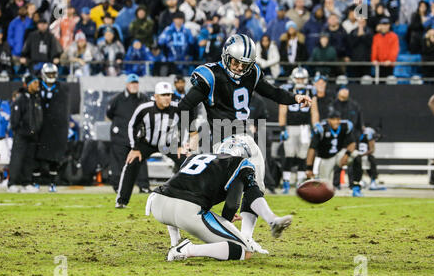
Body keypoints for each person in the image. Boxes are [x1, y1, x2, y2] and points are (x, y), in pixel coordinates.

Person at [177, 33, 311, 252]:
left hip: (245, 136)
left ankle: (246, 238)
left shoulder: (253, 73)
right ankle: (269, 221)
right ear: (226, 55)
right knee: (244, 184)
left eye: (244, 64)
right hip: (224, 138)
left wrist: (294, 98)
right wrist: (191, 133)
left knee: (257, 185)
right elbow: (184, 105)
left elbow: (273, 93)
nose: (239, 67)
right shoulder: (211, 74)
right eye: (236, 62)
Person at [146, 140, 293, 261]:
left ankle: (175, 241)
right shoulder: (240, 163)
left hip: (157, 203)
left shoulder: (194, 157)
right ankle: (186, 249)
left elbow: (175, 187)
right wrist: (226, 221)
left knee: (179, 197)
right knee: (244, 251)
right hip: (186, 211)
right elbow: (232, 204)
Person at [115, 81, 187, 208]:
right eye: (163, 95)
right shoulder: (145, 108)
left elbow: (187, 124)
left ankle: (188, 199)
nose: (167, 98)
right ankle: (122, 200)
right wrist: (134, 148)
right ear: (156, 96)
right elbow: (132, 125)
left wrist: (182, 145)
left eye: (169, 95)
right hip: (147, 143)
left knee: (187, 164)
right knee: (131, 163)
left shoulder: (177, 108)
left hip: (168, 144)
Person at [106, 74, 150, 195]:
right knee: (118, 162)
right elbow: (109, 114)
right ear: (127, 84)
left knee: (140, 161)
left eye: (136, 83)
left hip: (137, 137)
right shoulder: (117, 99)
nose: (134, 85)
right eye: (132, 83)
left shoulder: (143, 98)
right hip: (120, 135)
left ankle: (144, 186)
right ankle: (117, 186)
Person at [33, 63, 69, 193]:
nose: (51, 76)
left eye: (53, 74)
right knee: (37, 156)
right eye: (49, 74)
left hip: (55, 128)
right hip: (40, 126)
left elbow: (64, 109)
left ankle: (52, 183)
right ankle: (36, 182)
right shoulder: (37, 87)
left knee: (55, 157)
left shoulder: (61, 88)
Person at [279, 67, 315, 193]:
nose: (300, 80)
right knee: (289, 155)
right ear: (293, 78)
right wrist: (282, 128)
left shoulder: (311, 91)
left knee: (302, 156)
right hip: (291, 127)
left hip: (305, 127)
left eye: (302, 78)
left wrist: (315, 126)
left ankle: (300, 182)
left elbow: (314, 110)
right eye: (298, 78)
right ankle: (286, 182)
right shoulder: (287, 89)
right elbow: (282, 110)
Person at [8, 75, 43, 193]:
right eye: (35, 83)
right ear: (28, 84)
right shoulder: (21, 99)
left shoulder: (36, 99)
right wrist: (20, 130)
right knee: (17, 159)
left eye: (38, 83)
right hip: (21, 135)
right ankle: (12, 183)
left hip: (33, 135)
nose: (37, 85)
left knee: (29, 160)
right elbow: (15, 119)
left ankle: (26, 183)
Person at [306, 108, 357, 185]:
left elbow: (352, 143)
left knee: (356, 155)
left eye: (338, 119)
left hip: (339, 154)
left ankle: (356, 184)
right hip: (326, 158)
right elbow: (312, 149)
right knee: (324, 185)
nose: (336, 122)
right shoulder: (321, 128)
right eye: (333, 119)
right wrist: (309, 167)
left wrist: (346, 155)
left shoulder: (345, 126)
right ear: (329, 120)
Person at [352, 126, 385, 197]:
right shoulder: (354, 136)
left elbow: (372, 149)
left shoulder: (368, 135)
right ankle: (358, 182)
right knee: (356, 162)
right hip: (357, 156)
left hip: (365, 155)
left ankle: (373, 181)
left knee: (371, 160)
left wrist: (363, 154)